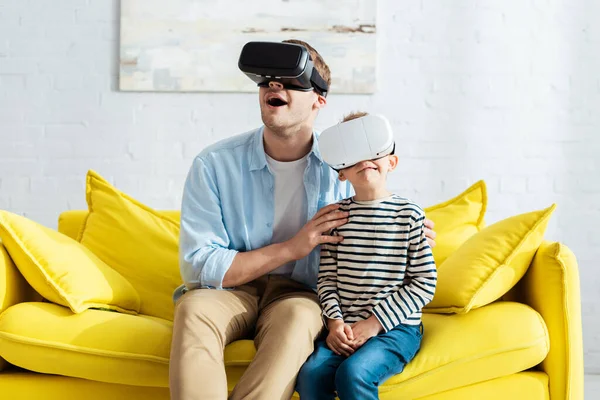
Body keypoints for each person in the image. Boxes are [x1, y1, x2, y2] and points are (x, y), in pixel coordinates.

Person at [169, 40, 437, 400]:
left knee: (298, 320)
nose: (274, 86)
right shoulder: (214, 165)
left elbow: (379, 218)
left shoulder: (344, 169)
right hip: (228, 292)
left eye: (291, 80)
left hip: (299, 295)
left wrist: (406, 232)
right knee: (194, 310)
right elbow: (199, 264)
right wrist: (293, 248)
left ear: (318, 99)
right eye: (267, 80)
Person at [295, 111, 437, 400]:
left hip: (395, 329)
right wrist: (335, 323)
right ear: (342, 172)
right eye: (353, 154)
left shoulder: (409, 215)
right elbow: (327, 280)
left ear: (392, 162)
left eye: (374, 150)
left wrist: (374, 324)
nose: (365, 159)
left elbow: (424, 281)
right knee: (310, 375)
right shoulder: (337, 217)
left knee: (354, 373)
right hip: (345, 327)